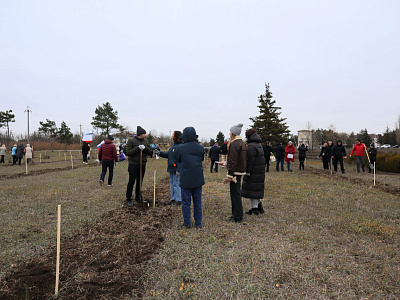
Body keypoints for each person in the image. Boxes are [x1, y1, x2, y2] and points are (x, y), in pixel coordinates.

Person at [175, 127, 205, 228]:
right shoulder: (200, 147)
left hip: (186, 178)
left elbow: (178, 160)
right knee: (197, 202)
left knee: (186, 202)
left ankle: (187, 223)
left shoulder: (181, 148)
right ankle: (198, 223)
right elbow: (201, 159)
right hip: (198, 178)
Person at [222, 123, 247, 223]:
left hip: (235, 173)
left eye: (230, 132)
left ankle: (237, 216)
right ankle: (238, 214)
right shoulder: (241, 143)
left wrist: (230, 174)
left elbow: (233, 160)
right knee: (237, 193)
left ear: (233, 133)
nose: (229, 133)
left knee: (235, 194)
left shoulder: (234, 144)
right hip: (239, 171)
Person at [125, 126, 153, 206]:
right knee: (131, 181)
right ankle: (129, 198)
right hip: (133, 164)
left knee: (139, 181)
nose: (146, 135)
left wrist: (145, 149)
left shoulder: (146, 141)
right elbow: (128, 152)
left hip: (142, 164)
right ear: (140, 134)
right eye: (144, 133)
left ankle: (138, 197)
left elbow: (150, 152)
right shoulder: (131, 141)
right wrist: (137, 148)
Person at [241, 129, 265, 215]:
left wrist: (247, 171)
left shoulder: (251, 146)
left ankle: (255, 208)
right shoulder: (258, 144)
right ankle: (259, 205)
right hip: (259, 171)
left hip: (254, 171)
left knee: (253, 190)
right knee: (257, 189)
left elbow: (250, 160)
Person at [158, 131, 183, 205]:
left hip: (176, 169)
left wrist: (179, 169)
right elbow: (168, 155)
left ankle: (178, 199)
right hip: (171, 168)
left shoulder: (180, 147)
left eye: (173, 134)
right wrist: (160, 153)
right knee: (172, 184)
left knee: (177, 184)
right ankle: (173, 198)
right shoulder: (173, 146)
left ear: (176, 136)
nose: (172, 136)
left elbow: (181, 159)